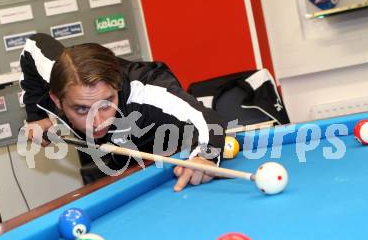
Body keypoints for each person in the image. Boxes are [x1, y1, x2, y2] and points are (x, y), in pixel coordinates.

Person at [20, 33, 226, 191]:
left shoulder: (148, 93)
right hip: (120, 152)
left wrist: (204, 156)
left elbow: (206, 119)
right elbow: (33, 46)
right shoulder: (57, 73)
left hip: (166, 145)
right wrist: (36, 117)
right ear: (57, 99)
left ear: (117, 87)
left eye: (106, 103)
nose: (97, 121)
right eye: (82, 109)